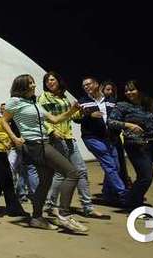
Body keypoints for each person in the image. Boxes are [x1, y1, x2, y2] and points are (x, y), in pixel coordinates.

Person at [0, 74, 88, 233]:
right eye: (30, 83)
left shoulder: (33, 102)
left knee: (45, 181)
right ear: (22, 86)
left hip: (43, 143)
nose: (34, 85)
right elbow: (4, 120)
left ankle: (36, 218)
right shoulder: (15, 101)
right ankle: (64, 215)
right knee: (72, 173)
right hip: (35, 145)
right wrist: (14, 138)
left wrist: (72, 111)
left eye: (33, 82)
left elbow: (54, 119)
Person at [38, 72, 106, 219]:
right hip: (56, 138)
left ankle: (87, 207)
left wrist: (79, 112)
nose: (50, 82)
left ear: (58, 80)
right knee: (61, 173)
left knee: (81, 170)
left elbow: (71, 116)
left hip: (68, 137)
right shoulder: (44, 97)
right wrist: (51, 131)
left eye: (52, 79)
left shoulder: (63, 97)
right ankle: (50, 205)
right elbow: (41, 117)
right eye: (47, 81)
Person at [108, 80, 153, 207]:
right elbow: (111, 122)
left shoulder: (150, 104)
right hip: (136, 146)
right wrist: (129, 125)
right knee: (145, 177)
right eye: (126, 91)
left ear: (140, 90)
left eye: (132, 89)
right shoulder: (122, 106)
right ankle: (133, 204)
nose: (129, 93)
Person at [77, 76, 129, 205]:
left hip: (109, 138)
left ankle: (107, 194)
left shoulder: (111, 101)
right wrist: (89, 115)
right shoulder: (83, 101)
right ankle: (124, 194)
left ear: (96, 84)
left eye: (88, 84)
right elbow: (76, 119)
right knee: (109, 165)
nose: (86, 87)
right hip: (92, 138)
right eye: (84, 86)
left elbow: (118, 117)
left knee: (116, 166)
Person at [101, 80, 132, 188]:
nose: (110, 92)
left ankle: (124, 181)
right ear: (102, 89)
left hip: (115, 136)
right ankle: (112, 187)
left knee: (120, 161)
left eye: (112, 90)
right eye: (107, 89)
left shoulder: (115, 102)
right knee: (111, 163)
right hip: (105, 137)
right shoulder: (99, 102)